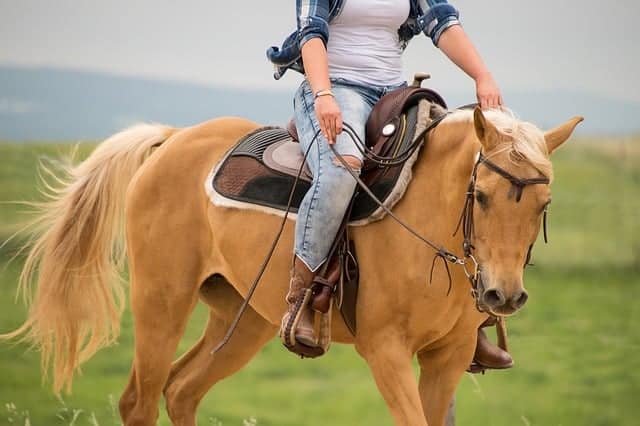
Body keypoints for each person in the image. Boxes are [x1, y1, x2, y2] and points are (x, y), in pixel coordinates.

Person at [267, 0, 512, 369]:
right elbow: (311, 31)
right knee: (342, 168)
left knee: (456, 165)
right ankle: (301, 300)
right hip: (335, 90)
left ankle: (471, 318)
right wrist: (323, 95)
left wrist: (483, 76)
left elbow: (441, 22)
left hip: (394, 93)